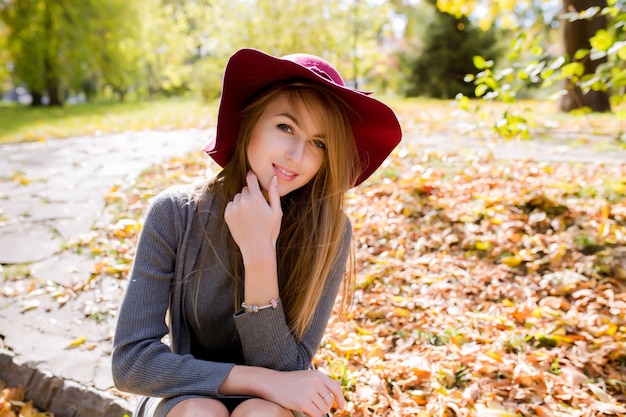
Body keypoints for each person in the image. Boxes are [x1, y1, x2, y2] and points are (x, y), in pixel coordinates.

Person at [111, 48, 402, 417]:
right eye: (286, 127)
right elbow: (131, 363)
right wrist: (255, 380)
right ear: (250, 122)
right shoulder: (176, 213)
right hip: (185, 396)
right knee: (201, 413)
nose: (297, 154)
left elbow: (289, 372)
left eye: (319, 142)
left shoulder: (328, 232)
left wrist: (259, 255)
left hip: (278, 406)